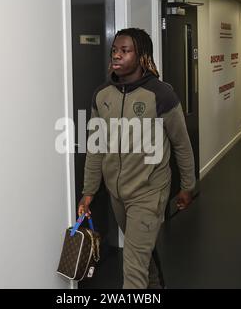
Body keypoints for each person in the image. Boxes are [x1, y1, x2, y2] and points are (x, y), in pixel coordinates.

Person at [78, 28, 196, 289]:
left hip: (149, 192)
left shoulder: (161, 94)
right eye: (114, 51)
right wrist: (89, 191)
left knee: (131, 265)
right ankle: (155, 285)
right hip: (117, 194)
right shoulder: (101, 95)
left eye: (125, 50)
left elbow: (181, 144)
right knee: (139, 252)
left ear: (142, 55)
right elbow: (95, 147)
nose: (117, 55)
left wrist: (188, 186)